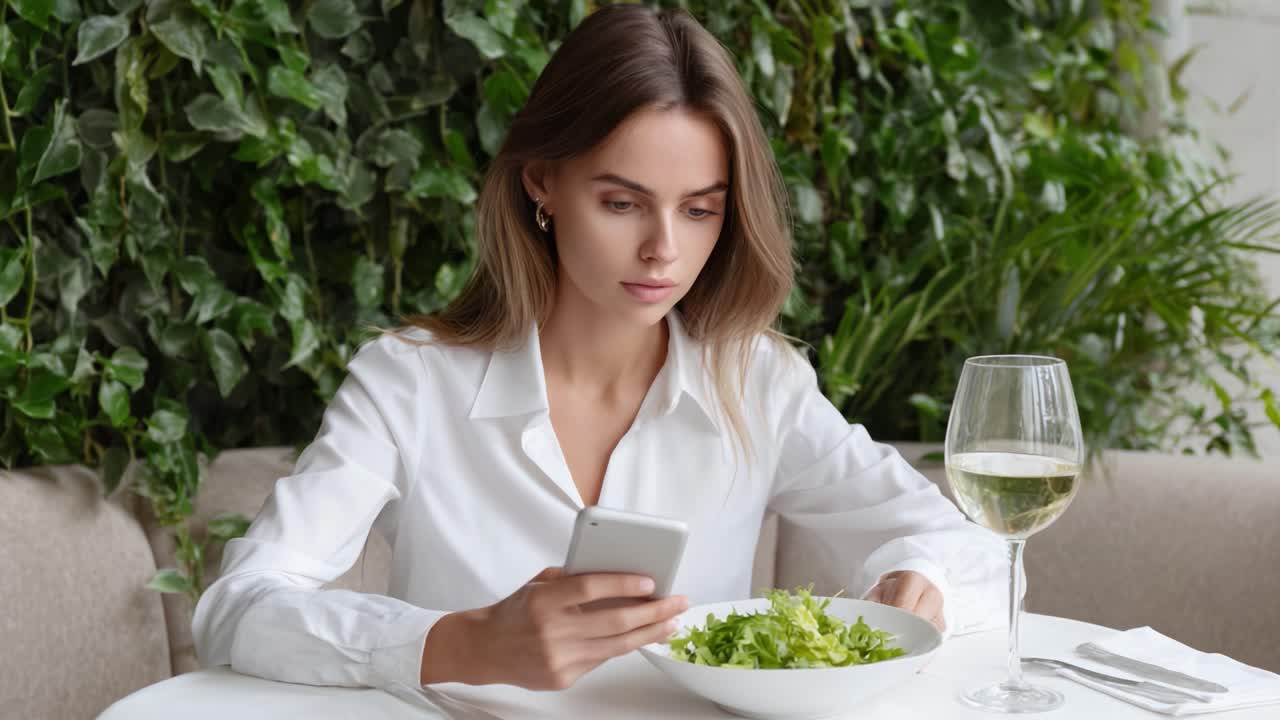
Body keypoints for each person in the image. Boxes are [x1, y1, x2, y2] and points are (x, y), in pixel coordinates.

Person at [192, 4, 1006, 695]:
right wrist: (459, 644)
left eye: (699, 210)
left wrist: (924, 583)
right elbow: (236, 608)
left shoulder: (755, 381)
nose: (663, 250)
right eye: (622, 202)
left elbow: (977, 550)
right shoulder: (410, 383)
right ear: (540, 182)